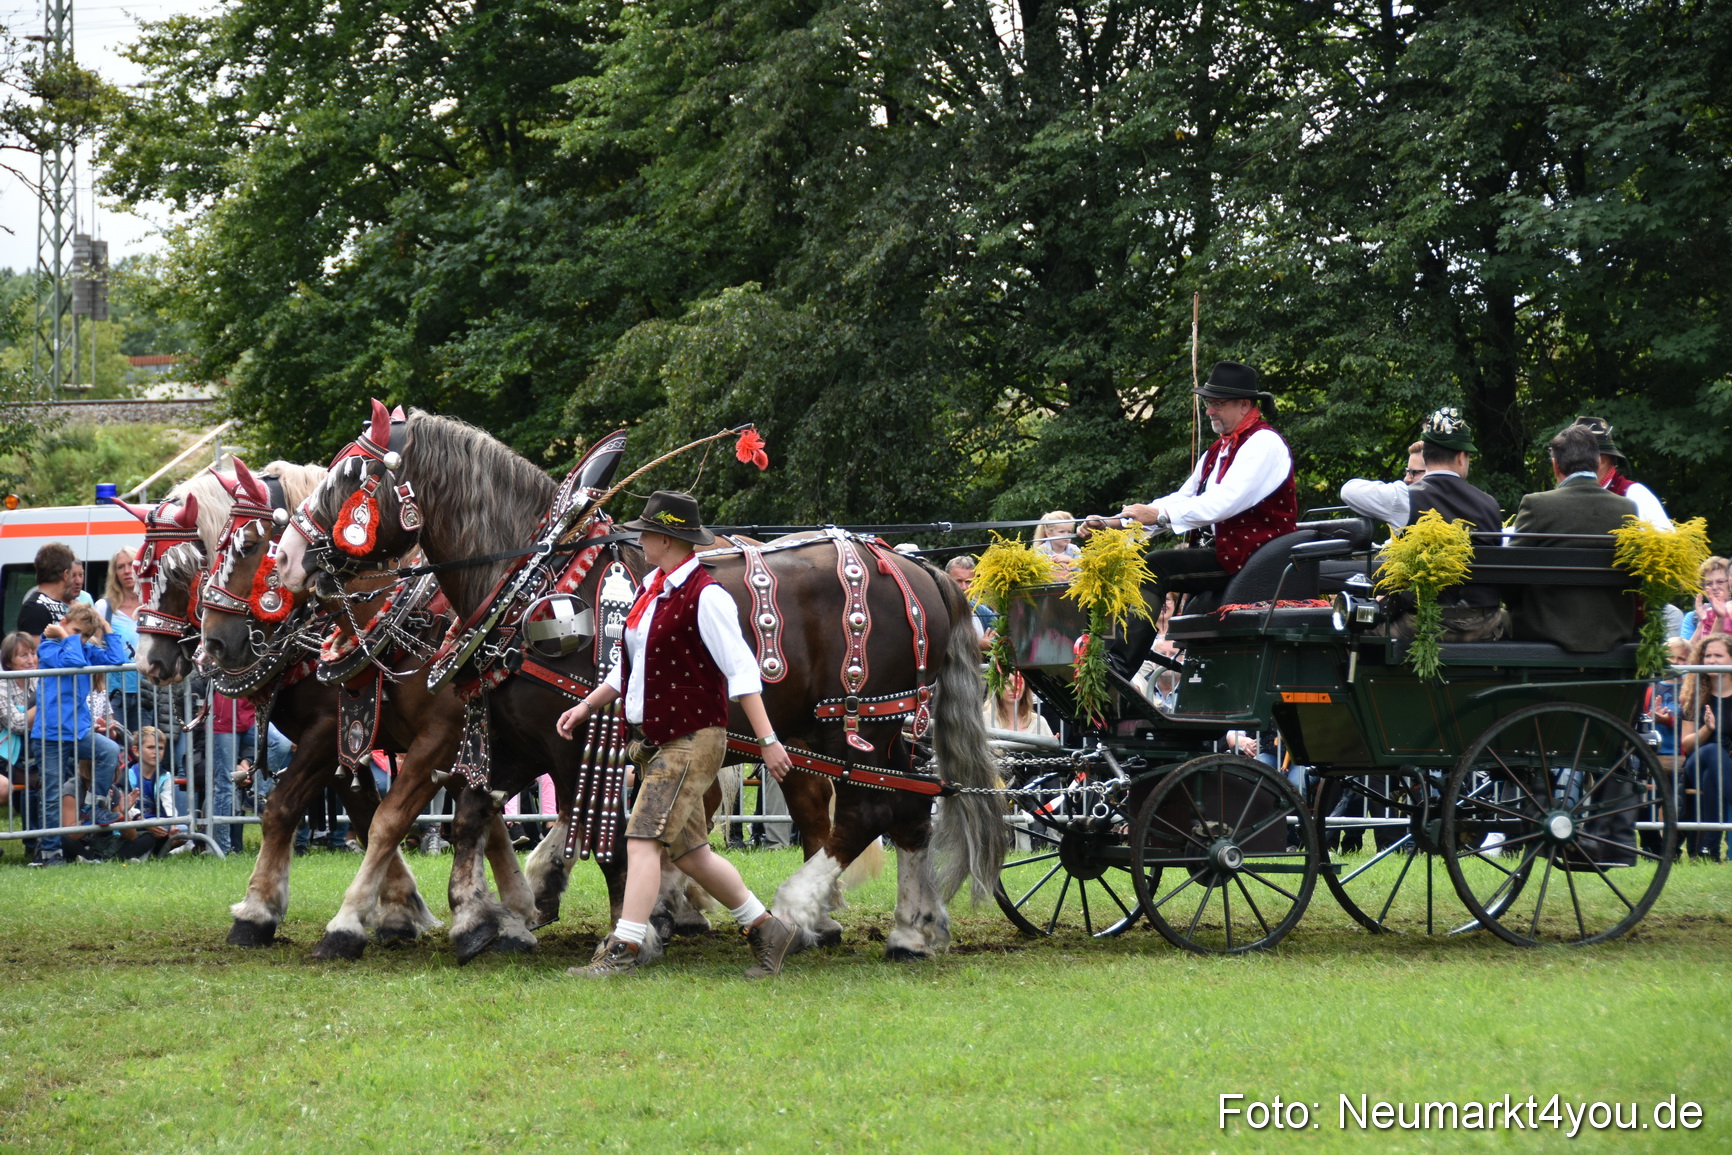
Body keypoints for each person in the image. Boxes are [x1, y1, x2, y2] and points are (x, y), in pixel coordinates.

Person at [555, 490, 795, 979]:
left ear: (665, 539)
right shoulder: (651, 589)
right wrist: (585, 706)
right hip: (657, 741)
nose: (638, 541)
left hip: (692, 739)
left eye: (645, 533)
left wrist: (768, 741)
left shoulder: (707, 596)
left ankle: (623, 949)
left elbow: (743, 672)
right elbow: (629, 669)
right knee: (691, 854)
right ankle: (768, 929)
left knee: (643, 839)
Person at [1093, 360, 1296, 668]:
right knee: (1142, 565)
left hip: (1254, 557)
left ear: (1244, 404)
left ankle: (1120, 664)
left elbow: (1222, 503)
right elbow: (1183, 497)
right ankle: (1108, 655)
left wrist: (1158, 515)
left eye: (1217, 404)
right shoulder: (1219, 449)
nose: (1209, 410)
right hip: (1229, 553)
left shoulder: (1264, 443)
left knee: (1155, 566)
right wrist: (1118, 523)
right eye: (1208, 403)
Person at [1347, 409, 1506, 641]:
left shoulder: (1406, 498)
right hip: (1485, 624)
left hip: (1432, 623)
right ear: (1462, 457)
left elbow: (1349, 490)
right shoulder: (1490, 504)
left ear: (1427, 456)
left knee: (1352, 630)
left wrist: (1399, 490)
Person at [1507, 424, 1638, 652]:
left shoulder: (1537, 505)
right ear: (1597, 463)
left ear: (1555, 465)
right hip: (1613, 632)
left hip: (1544, 631)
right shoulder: (1627, 508)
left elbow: (1511, 575)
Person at [28, 604, 127, 866]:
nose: (81, 639)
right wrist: (64, 635)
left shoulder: (83, 647)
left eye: (86, 635)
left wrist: (105, 627)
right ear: (63, 622)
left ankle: (94, 807)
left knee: (109, 750)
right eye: (76, 632)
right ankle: (49, 852)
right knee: (51, 794)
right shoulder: (49, 647)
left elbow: (117, 659)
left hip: (79, 731)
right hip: (50, 734)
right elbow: (74, 662)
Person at [1677, 633, 1732, 860]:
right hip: (1696, 763)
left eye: (1718, 655)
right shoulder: (1694, 697)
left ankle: (1708, 850)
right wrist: (1707, 730)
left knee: (1713, 778)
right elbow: (1687, 745)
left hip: (1725, 767)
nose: (1712, 660)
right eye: (1708, 656)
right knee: (1711, 750)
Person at [1571, 415, 1672, 529]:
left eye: (1577, 458)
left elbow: (1664, 539)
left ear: (1602, 461)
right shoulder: (1564, 496)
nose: (1567, 463)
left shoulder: (1635, 494)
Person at [93, 548, 146, 736]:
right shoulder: (104, 607)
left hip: (148, 693)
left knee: (145, 746)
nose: (126, 571)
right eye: (120, 567)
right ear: (114, 573)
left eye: (131, 564)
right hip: (114, 694)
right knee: (118, 746)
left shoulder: (152, 604)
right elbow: (95, 648)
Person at [116, 726, 184, 860]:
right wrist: (144, 823)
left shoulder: (165, 776)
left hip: (157, 822)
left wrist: (173, 824)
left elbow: (169, 803)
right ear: (136, 751)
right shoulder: (127, 775)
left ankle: (156, 851)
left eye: (160, 748)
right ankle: (154, 852)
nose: (156, 752)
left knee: (183, 829)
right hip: (135, 822)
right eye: (151, 747)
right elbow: (126, 807)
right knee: (146, 835)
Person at [1339, 440, 1429, 528]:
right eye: (1407, 471)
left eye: (1414, 472)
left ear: (1433, 472)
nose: (1406, 479)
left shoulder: (1403, 497)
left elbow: (1348, 491)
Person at [15, 542, 77, 638]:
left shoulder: (59, 605)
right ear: (65, 574)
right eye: (72, 574)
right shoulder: (35, 608)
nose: (75, 579)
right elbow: (35, 647)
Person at [984, 669, 1053, 739]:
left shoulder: (1039, 722)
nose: (1014, 687)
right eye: (1007, 682)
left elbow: (1050, 745)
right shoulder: (984, 719)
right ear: (996, 687)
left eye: (1019, 682)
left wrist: (1052, 744)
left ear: (1025, 687)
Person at [944, 555, 996, 647]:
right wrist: (980, 644)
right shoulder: (940, 610)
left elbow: (1001, 631)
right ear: (947, 581)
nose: (964, 587)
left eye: (968, 581)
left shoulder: (980, 610)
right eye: (959, 581)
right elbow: (941, 641)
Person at [1680, 557, 1729, 641]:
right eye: (1709, 583)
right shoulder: (1693, 618)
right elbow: (1687, 649)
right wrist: (1702, 624)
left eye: (1720, 582)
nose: (1714, 587)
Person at [1032, 511, 1081, 579]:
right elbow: (1040, 571)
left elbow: (1082, 570)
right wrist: (1058, 565)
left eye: (1069, 532)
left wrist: (1070, 561)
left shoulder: (1074, 550)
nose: (1066, 535)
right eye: (1062, 532)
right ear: (1049, 533)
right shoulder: (1041, 550)